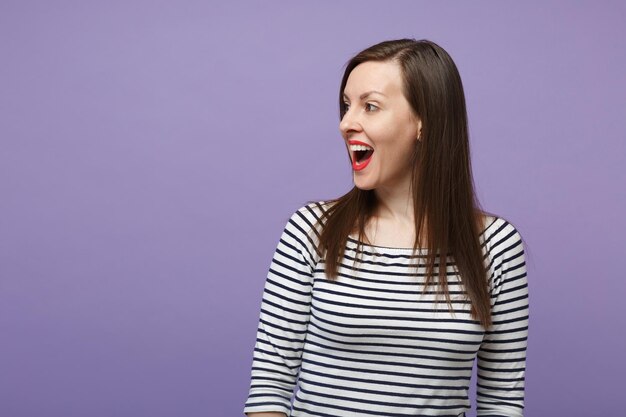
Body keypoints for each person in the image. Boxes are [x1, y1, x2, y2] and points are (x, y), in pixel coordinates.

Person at [243, 38, 529, 417]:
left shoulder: (496, 246)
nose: (347, 123)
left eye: (370, 106)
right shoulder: (312, 230)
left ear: (424, 122)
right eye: (346, 106)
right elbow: (269, 386)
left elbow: (502, 403)